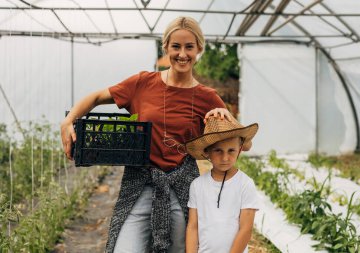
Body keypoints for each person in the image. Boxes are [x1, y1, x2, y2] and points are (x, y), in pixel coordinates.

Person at [60, 16, 252, 253]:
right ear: (166, 48)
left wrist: (229, 118)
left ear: (199, 49)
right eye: (176, 46)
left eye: (189, 47)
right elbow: (98, 97)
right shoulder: (143, 83)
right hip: (140, 182)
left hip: (182, 186)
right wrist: (69, 121)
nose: (182, 54)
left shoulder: (207, 97)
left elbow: (245, 145)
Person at [185, 116, 260, 253]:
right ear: (207, 151)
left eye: (231, 150)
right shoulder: (197, 185)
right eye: (218, 150)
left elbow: (246, 229)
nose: (225, 158)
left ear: (240, 149)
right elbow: (193, 226)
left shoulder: (245, 184)